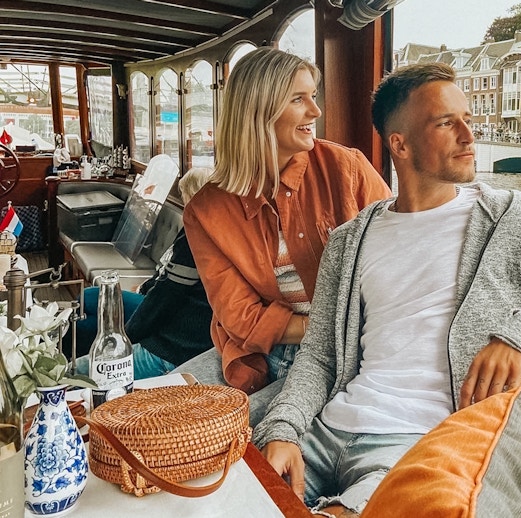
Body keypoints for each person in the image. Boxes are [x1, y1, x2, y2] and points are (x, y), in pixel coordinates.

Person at [252, 62, 521, 516]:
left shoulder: (512, 219)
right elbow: (318, 356)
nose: (469, 137)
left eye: (468, 120)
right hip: (326, 431)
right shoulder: (349, 241)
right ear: (400, 144)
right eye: (446, 123)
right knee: (229, 497)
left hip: (424, 446)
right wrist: (282, 430)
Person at [173, 48, 391, 425]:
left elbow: (402, 260)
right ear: (259, 111)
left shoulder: (346, 168)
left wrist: (337, 334)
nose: (316, 111)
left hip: (344, 356)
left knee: (230, 437)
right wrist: (321, 327)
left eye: (314, 96)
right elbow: (240, 318)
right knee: (164, 414)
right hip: (256, 353)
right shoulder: (206, 211)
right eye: (298, 99)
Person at [73, 167, 214, 379]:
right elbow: (168, 283)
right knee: (86, 310)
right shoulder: (202, 228)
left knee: (72, 369)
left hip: (170, 349)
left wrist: (126, 339)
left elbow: (167, 295)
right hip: (167, 325)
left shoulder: (197, 234)